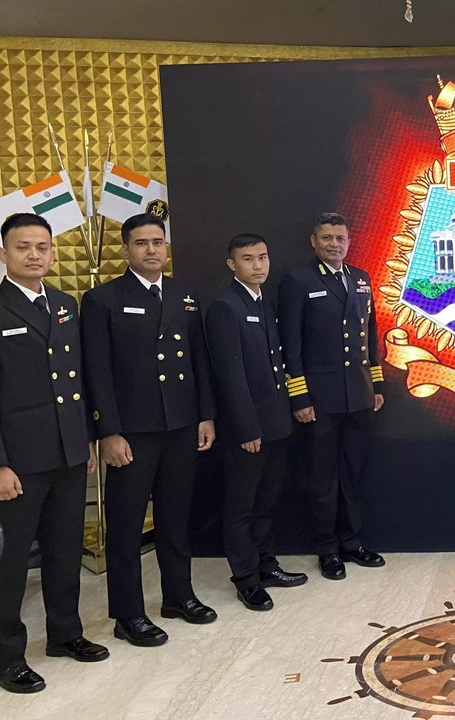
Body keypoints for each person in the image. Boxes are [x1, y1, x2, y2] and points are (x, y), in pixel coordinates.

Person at [81, 213, 217, 647]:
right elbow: (97, 373)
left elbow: (199, 362)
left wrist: (205, 415)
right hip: (132, 432)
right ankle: (128, 614)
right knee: (125, 525)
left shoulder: (183, 295)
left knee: (176, 517)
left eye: (158, 242)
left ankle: (179, 597)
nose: (152, 250)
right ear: (126, 249)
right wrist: (108, 432)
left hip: (180, 424)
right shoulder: (103, 300)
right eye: (141, 243)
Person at [0, 213, 107, 693]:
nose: (35, 255)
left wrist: (85, 442)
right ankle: (6, 657)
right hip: (16, 462)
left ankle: (65, 634)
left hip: (67, 453)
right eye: (23, 247)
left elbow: (74, 380)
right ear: (3, 253)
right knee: (13, 562)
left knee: (64, 551)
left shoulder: (64, 305)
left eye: (42, 246)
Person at [278, 213, 385, 580]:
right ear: (313, 241)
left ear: (348, 241)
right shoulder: (297, 281)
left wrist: (376, 386)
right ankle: (326, 549)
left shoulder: (360, 278)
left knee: (353, 474)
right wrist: (299, 397)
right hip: (320, 400)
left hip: (358, 394)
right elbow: (290, 347)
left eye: (340, 238)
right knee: (323, 478)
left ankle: (352, 542)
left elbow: (370, 336)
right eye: (326, 238)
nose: (334, 244)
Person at [205, 234, 308, 611]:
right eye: (248, 259)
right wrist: (248, 429)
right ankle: (246, 579)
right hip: (247, 430)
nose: (258, 265)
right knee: (241, 506)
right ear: (232, 264)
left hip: (276, 422)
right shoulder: (225, 307)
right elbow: (230, 377)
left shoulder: (264, 302)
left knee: (267, 500)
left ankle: (266, 564)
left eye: (263, 257)